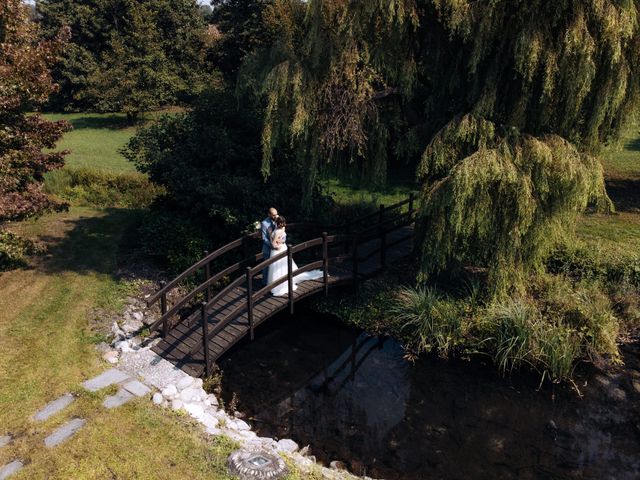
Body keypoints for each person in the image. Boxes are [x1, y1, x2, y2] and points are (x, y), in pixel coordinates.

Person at [267, 216, 323, 296]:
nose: (283, 225)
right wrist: (280, 242)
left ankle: (279, 285)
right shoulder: (282, 229)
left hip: (278, 250)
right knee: (281, 266)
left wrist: (270, 236)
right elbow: (281, 238)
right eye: (282, 223)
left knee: (278, 266)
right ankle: (280, 283)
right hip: (282, 247)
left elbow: (273, 244)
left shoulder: (277, 231)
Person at [260, 207, 280, 286]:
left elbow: (282, 232)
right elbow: (264, 238)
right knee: (266, 266)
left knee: (276, 266)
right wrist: (272, 245)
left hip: (277, 248)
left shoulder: (278, 220)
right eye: (273, 215)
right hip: (268, 248)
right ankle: (265, 283)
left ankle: (274, 283)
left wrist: (280, 242)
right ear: (269, 214)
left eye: (276, 214)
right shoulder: (264, 223)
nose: (276, 216)